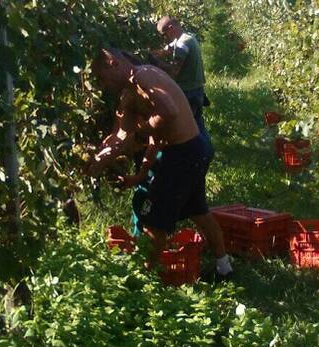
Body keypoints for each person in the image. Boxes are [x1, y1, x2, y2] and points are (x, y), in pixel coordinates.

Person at [87, 48, 233, 280]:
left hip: (184, 152)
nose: (102, 84)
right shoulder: (129, 94)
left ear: (113, 63)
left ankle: (147, 280)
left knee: (155, 221)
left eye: (101, 77)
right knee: (198, 211)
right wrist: (99, 160)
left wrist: (139, 132)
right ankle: (224, 269)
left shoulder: (143, 77)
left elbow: (169, 112)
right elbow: (121, 136)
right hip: (190, 151)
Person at [148, 16, 213, 158]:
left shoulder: (183, 44)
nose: (165, 38)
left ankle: (197, 156)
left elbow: (174, 70)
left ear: (171, 28)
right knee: (197, 124)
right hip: (196, 91)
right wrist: (151, 53)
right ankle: (206, 152)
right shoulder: (187, 38)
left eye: (165, 34)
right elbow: (166, 50)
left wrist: (155, 64)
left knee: (186, 129)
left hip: (188, 93)